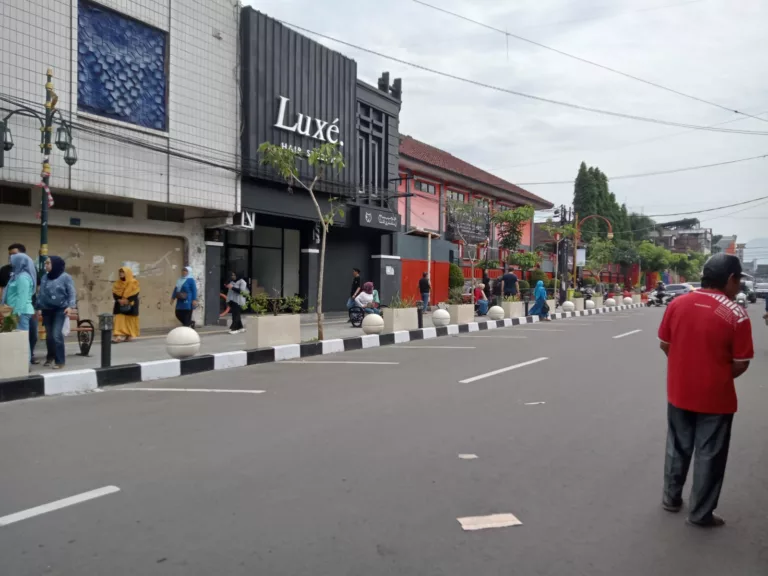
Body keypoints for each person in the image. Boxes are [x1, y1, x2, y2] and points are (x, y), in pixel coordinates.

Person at [658, 253, 753, 528]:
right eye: (738, 281)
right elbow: (741, 362)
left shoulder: (677, 304)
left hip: (679, 390)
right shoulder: (736, 313)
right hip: (716, 396)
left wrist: (685, 366)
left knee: (677, 446)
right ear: (730, 279)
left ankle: (671, 498)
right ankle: (700, 514)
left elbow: (665, 343)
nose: (739, 287)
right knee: (710, 454)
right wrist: (715, 374)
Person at [38, 256, 76, 369]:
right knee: (49, 336)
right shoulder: (45, 277)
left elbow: (72, 293)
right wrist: (39, 307)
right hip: (46, 309)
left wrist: (70, 306)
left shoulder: (66, 277)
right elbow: (41, 294)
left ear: (55, 264)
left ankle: (60, 361)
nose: (46, 265)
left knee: (56, 334)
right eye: (46, 263)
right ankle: (50, 357)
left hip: (60, 309)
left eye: (48, 263)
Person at [7, 244, 39, 363]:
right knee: (16, 339)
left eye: (14, 259)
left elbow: (22, 297)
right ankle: (18, 363)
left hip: (20, 312)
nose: (11, 260)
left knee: (22, 340)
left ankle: (24, 364)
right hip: (15, 311)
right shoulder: (17, 276)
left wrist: (16, 314)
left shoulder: (23, 278)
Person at [112, 267, 140, 343]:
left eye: (123, 272)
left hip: (131, 304)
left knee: (129, 320)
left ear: (127, 273)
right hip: (119, 304)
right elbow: (114, 293)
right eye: (120, 272)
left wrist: (127, 300)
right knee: (119, 319)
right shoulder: (117, 283)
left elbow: (135, 293)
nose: (121, 273)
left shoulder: (133, 282)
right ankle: (118, 336)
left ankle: (129, 335)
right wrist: (119, 300)